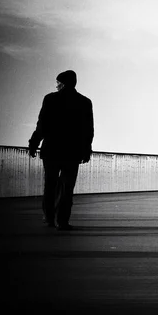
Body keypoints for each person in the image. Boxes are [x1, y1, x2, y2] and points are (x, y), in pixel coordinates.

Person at [28, 70, 94, 231]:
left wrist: (33, 143)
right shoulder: (84, 102)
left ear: (62, 83)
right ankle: (62, 220)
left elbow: (42, 125)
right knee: (67, 186)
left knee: (50, 184)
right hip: (73, 151)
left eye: (58, 83)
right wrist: (86, 150)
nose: (56, 86)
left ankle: (49, 217)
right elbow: (88, 130)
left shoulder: (50, 99)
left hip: (51, 149)